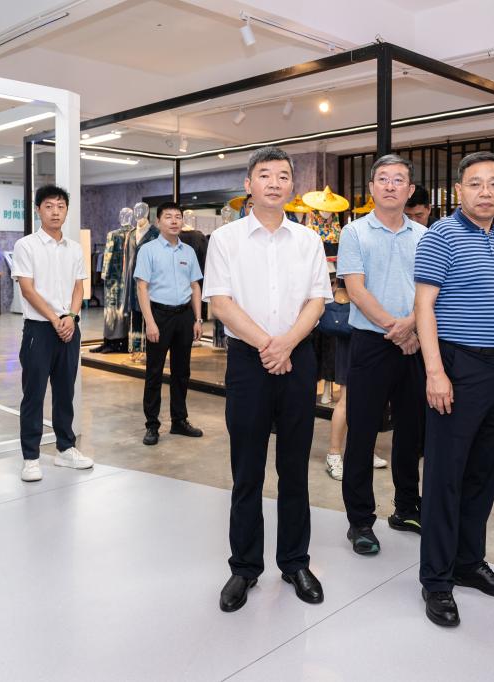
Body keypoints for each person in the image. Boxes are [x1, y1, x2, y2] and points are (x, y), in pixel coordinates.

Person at [204, 147, 332, 613]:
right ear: (249, 185)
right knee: (247, 470)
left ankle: (295, 562)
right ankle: (244, 567)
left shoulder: (308, 240)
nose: (274, 183)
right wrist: (267, 345)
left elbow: (317, 301)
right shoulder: (226, 239)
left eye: (282, 176)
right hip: (247, 362)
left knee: (294, 468)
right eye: (265, 175)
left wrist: (286, 345)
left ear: (292, 186)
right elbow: (221, 302)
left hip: (298, 360)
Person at [414, 151, 494, 627]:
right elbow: (424, 307)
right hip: (459, 366)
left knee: (483, 472)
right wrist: (435, 372)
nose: (485, 192)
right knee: (446, 476)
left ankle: (468, 562)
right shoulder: (441, 235)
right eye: (475, 183)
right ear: (459, 190)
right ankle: (437, 579)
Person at [337, 154, 427, 555]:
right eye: (383, 179)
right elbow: (356, 289)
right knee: (362, 432)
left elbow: (431, 290)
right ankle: (360, 521)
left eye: (399, 180)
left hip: (416, 343)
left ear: (410, 190)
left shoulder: (424, 235)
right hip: (372, 344)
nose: (391, 186)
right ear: (372, 187)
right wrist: (398, 328)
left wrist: (412, 327)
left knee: (412, 433)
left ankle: (406, 508)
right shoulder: (354, 232)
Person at [12, 185, 94, 482]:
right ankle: (31, 457)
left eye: (60, 206)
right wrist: (55, 318)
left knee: (65, 392)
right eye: (49, 206)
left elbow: (78, 287)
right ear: (38, 210)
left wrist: (71, 316)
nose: (55, 212)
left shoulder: (74, 248)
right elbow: (27, 289)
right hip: (40, 329)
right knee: (33, 393)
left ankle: (65, 449)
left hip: (69, 327)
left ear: (66, 210)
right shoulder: (26, 245)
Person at [134, 201, 204, 446]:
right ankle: (152, 425)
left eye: (178, 217)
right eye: (168, 217)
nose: (174, 221)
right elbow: (142, 287)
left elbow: (195, 286)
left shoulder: (189, 251)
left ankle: (179, 421)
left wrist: (198, 318)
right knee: (154, 372)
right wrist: (150, 322)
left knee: (182, 372)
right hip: (159, 315)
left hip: (184, 316)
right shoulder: (148, 250)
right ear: (158, 222)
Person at [325, 280, 351, 481]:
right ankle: (333, 454)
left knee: (368, 401)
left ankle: (362, 449)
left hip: (371, 331)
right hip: (352, 331)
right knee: (347, 399)